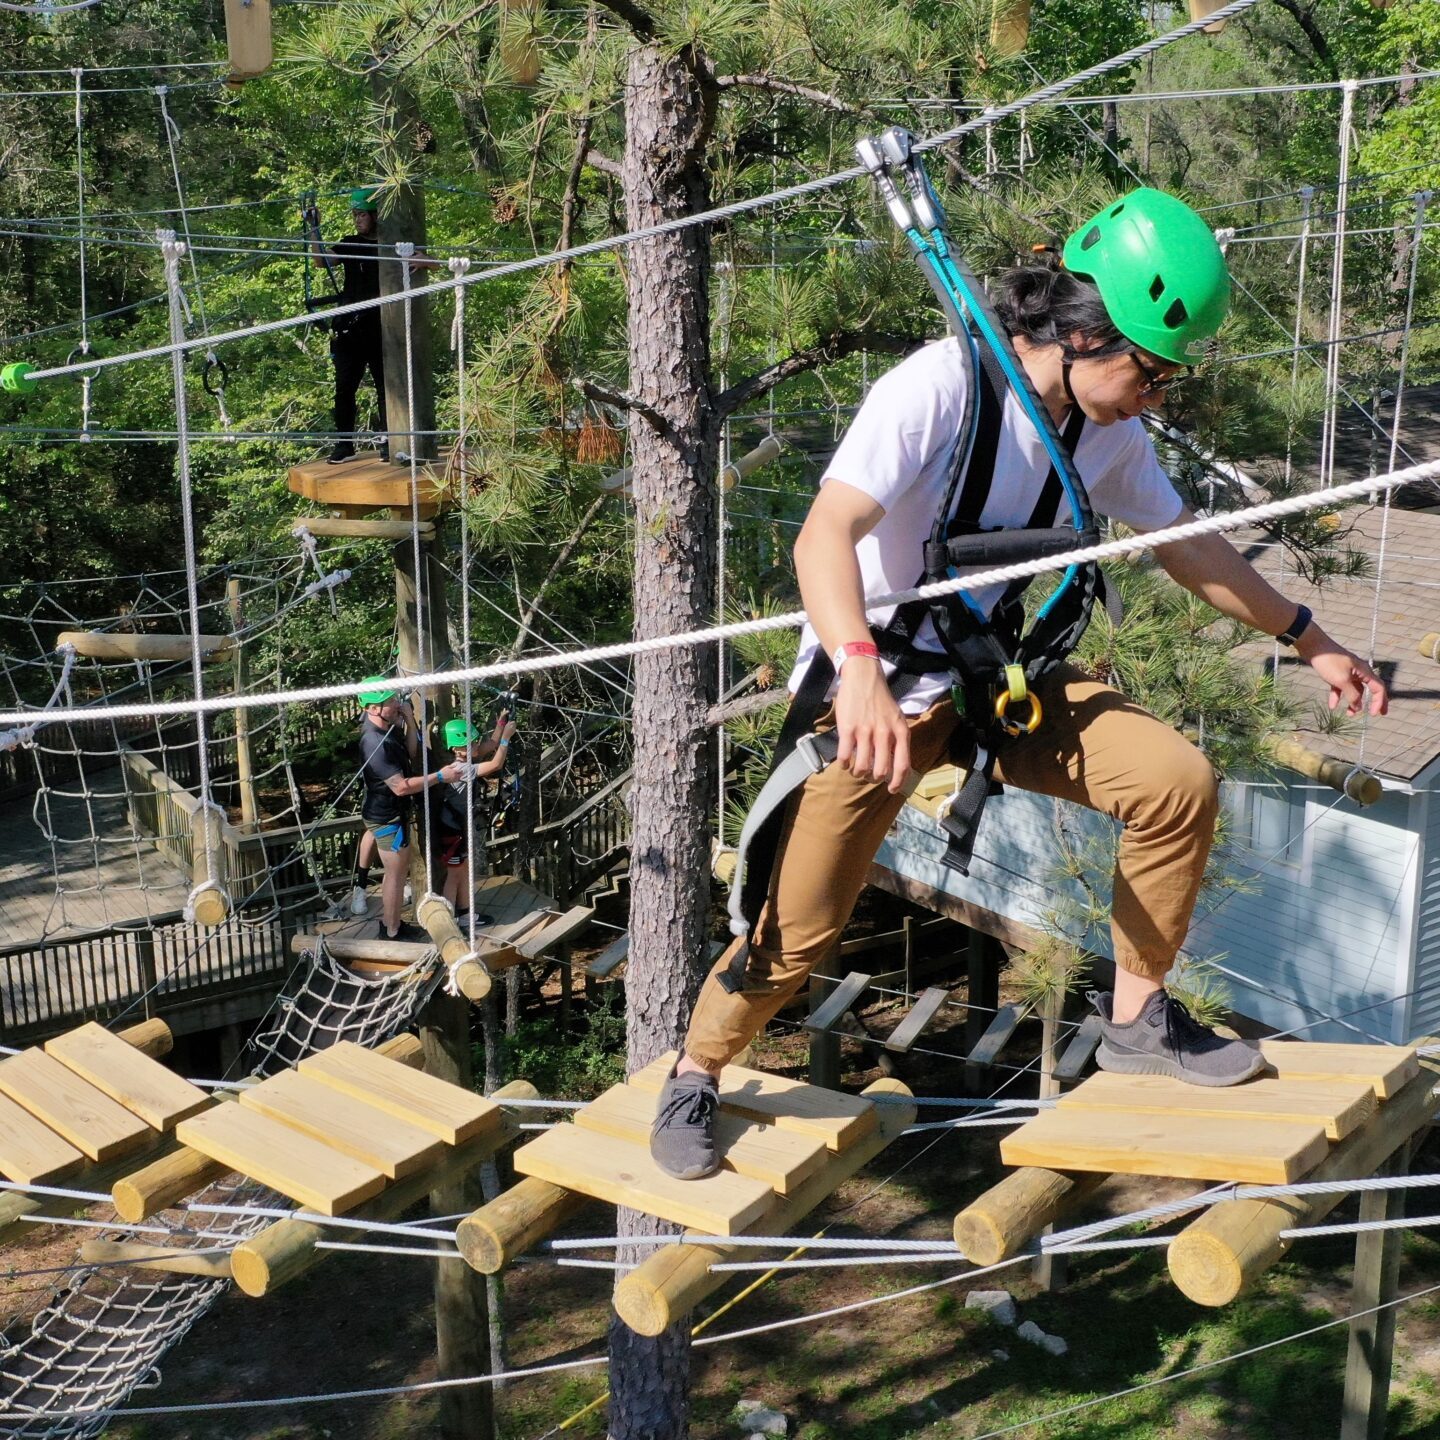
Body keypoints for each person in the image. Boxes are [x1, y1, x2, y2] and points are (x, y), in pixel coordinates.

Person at [650, 188, 1390, 1181]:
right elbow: (823, 536)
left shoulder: (1105, 432)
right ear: (1088, 333)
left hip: (991, 682)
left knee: (1174, 783)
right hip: (881, 691)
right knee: (798, 935)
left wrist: (1308, 636)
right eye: (1152, 372)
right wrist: (860, 675)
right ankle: (695, 1073)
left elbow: (1190, 547)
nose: (1154, 399)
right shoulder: (940, 392)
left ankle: (1137, 1020)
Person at [356, 678, 474, 942]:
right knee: (396, 875)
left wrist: (409, 720)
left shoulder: (387, 728)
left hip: (391, 813)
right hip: (387, 816)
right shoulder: (374, 743)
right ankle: (391, 930)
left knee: (396, 873)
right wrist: (440, 777)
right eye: (391, 702)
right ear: (374, 708)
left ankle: (392, 924)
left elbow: (412, 752)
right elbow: (400, 786)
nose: (397, 704)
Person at [304, 187, 387, 465]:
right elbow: (321, 261)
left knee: (386, 386)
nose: (357, 220)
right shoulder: (350, 243)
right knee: (344, 387)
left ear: (376, 216)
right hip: (351, 328)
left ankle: (390, 439)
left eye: (362, 214)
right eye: (355, 215)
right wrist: (314, 230)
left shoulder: (391, 244)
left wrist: (418, 258)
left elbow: (430, 262)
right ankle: (344, 443)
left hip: (381, 327)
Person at [431, 710, 518, 920]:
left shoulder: (462, 759)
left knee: (463, 871)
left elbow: (491, 744)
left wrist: (500, 722)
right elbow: (495, 764)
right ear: (459, 749)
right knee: (454, 874)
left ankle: (466, 913)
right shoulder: (461, 769)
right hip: (451, 831)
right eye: (473, 743)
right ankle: (449, 919)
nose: (478, 746)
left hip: (456, 828)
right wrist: (506, 738)